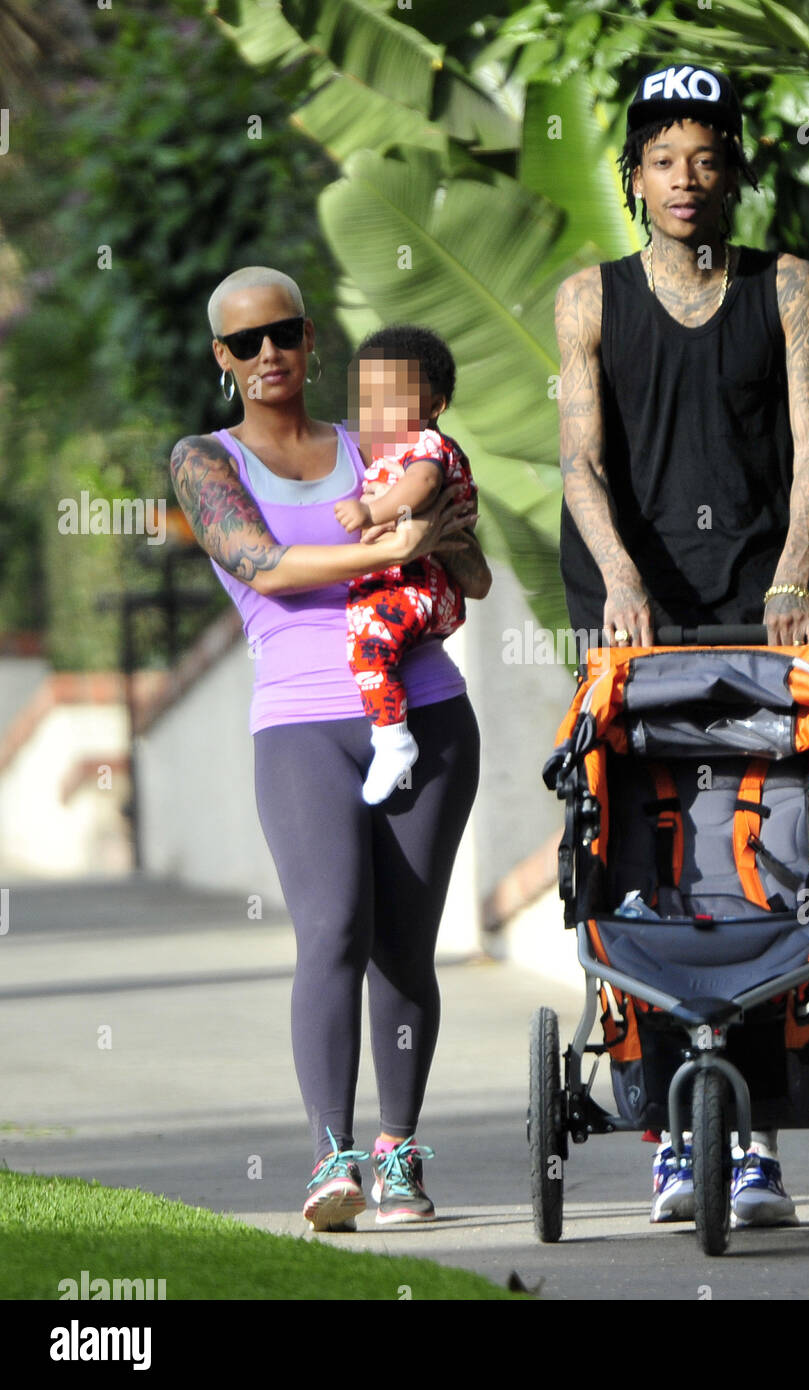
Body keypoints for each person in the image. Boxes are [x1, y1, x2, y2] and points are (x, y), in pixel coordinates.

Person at [556, 64, 809, 1228]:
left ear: (734, 172)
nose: (687, 179)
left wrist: (788, 575)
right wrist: (621, 578)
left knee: (768, 849)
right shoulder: (588, 298)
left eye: (707, 157)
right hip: (639, 616)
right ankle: (676, 1135)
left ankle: (757, 1144)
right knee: (637, 851)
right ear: (635, 176)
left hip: (767, 612)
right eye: (664, 159)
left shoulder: (787, 287)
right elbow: (582, 461)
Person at [169, 266, 491, 1229]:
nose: (268, 354)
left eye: (284, 333)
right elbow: (260, 565)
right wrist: (392, 549)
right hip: (303, 726)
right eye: (244, 343)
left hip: (427, 712)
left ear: (310, 340)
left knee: (403, 947)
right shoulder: (205, 459)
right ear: (222, 360)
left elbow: (467, 570)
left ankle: (399, 1154)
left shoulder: (383, 446)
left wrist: (442, 531)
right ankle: (330, 1158)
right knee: (333, 930)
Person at [334, 328, 478, 805]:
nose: (378, 411)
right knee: (369, 643)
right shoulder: (390, 452)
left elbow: (421, 485)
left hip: (418, 587)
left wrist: (373, 514)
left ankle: (394, 738)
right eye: (369, 399)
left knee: (370, 649)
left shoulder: (427, 448)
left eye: (394, 397)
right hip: (415, 587)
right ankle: (391, 735)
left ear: (433, 405)